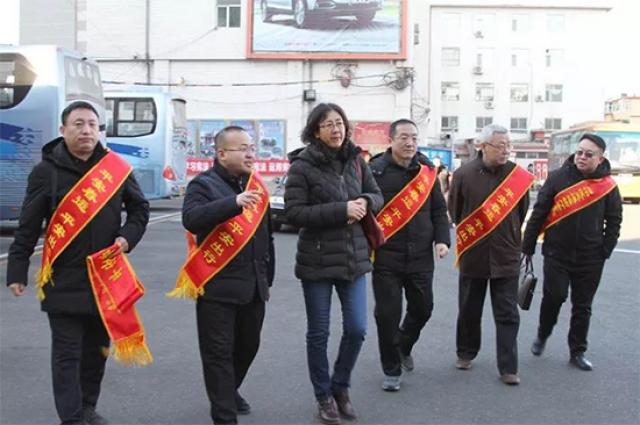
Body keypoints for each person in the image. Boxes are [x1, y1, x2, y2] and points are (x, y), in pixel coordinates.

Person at [6, 101, 150, 425]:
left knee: (96, 351)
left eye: (92, 125)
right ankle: (71, 418)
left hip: (105, 278)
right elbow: (28, 224)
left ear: (99, 130)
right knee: (67, 353)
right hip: (63, 278)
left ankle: (87, 407)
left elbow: (139, 209)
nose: (86, 130)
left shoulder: (115, 168)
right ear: (63, 129)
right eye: (78, 124)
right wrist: (17, 269)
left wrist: (127, 238)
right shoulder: (45, 172)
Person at [285, 103, 383, 424]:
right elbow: (294, 213)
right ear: (315, 131)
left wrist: (365, 201)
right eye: (328, 124)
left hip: (353, 258)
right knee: (319, 333)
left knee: (357, 329)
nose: (336, 129)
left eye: (339, 123)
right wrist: (342, 210)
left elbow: (376, 195)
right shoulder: (302, 167)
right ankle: (323, 396)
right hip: (316, 261)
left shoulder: (356, 160)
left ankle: (340, 386)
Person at [180, 126, 275, 425]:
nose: (250, 154)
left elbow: (266, 235)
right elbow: (191, 219)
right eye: (242, 149)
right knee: (218, 354)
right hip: (218, 287)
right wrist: (232, 204)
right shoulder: (203, 184)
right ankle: (224, 415)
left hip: (254, 286)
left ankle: (228, 391)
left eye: (252, 148)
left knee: (248, 347)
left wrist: (268, 277)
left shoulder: (255, 185)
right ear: (221, 154)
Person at [522, 133, 622, 371]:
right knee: (554, 297)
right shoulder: (557, 178)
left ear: (600, 159)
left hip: (591, 257)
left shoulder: (607, 186)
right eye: (579, 152)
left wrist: (605, 250)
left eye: (589, 154)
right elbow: (539, 212)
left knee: (583, 306)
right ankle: (543, 333)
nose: (582, 157)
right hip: (557, 254)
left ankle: (577, 351)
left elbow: (614, 220)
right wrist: (528, 245)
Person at [367, 119, 450, 391]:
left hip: (420, 257)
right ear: (390, 140)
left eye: (414, 137)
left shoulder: (426, 171)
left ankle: (403, 345)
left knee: (423, 308)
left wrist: (442, 240)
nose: (409, 142)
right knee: (387, 315)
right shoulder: (374, 171)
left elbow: (438, 210)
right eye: (403, 137)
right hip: (386, 257)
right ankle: (391, 369)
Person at [447, 124, 533, 386]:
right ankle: (465, 353)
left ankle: (508, 367)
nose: (506, 150)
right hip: (474, 251)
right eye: (500, 146)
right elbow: (456, 211)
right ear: (482, 146)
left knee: (507, 313)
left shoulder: (517, 177)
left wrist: (507, 234)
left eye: (509, 145)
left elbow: (521, 212)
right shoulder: (463, 175)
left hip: (506, 254)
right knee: (469, 308)